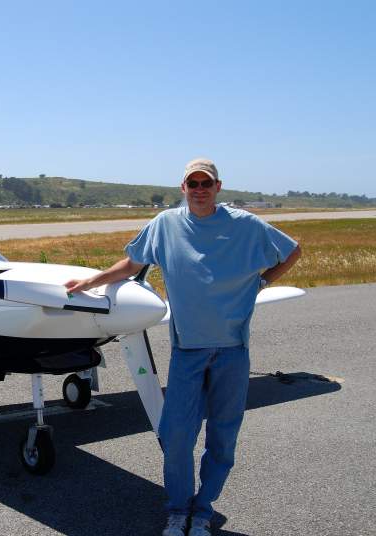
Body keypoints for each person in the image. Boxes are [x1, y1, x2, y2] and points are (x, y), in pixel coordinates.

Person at [64, 158, 301, 536]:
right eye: (193, 183)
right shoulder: (166, 224)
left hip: (232, 350)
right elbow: (132, 263)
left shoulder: (245, 224)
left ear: (218, 187)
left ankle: (203, 511)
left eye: (206, 183)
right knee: (176, 437)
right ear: (183, 188)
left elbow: (292, 251)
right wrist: (92, 282)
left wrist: (261, 283)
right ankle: (178, 511)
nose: (200, 190)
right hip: (187, 351)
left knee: (223, 438)